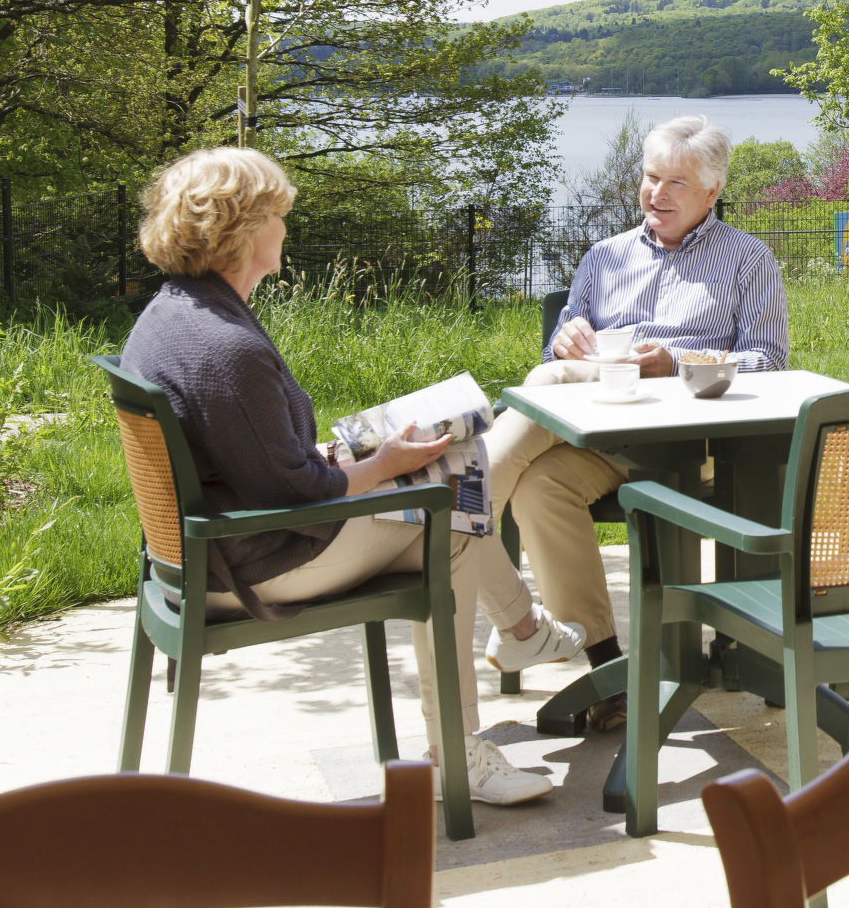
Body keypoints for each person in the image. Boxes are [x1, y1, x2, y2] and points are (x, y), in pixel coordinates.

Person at [120, 147, 584, 806]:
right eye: (279, 215)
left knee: (452, 469)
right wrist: (384, 464)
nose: (287, 227)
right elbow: (299, 493)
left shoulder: (172, 314)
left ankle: (523, 633)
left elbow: (248, 453)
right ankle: (464, 748)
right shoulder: (228, 348)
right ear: (248, 231)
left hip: (201, 550)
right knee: (450, 515)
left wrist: (355, 455)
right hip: (255, 560)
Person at [486, 114, 787, 733]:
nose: (657, 194)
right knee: (542, 486)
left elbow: (769, 361)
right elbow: (561, 352)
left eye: (677, 183)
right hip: (609, 433)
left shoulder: (749, 260)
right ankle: (605, 669)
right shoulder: (605, 257)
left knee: (543, 395)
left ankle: (456, 510)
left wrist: (676, 363)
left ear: (711, 192)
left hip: (702, 440)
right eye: (651, 178)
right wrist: (565, 343)